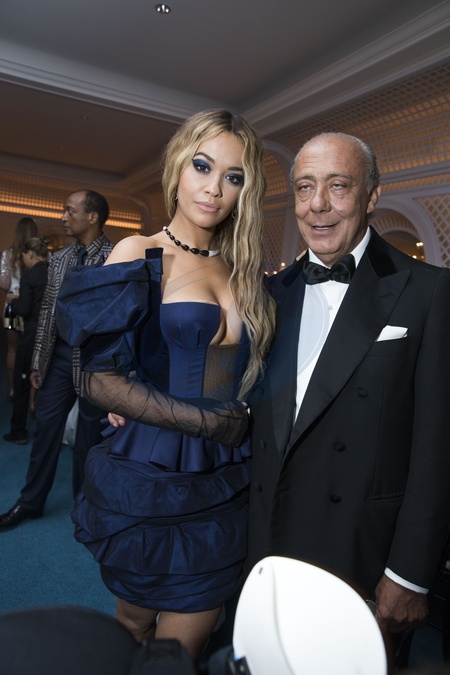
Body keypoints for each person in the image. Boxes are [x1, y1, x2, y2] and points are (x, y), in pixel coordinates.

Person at [54, 109, 275, 666]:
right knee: (134, 623)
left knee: (185, 644)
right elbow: (96, 379)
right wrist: (207, 422)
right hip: (150, 473)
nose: (214, 187)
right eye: (202, 166)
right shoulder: (139, 251)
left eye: (233, 176)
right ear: (178, 166)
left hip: (224, 478)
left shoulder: (246, 270)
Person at [247, 133, 450, 659]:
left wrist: (409, 573)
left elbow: (438, 448)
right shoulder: (272, 293)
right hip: (266, 544)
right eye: (304, 187)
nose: (317, 204)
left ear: (371, 195)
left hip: (361, 551)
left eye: (338, 186)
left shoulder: (429, 291)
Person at [0, 190, 114, 528]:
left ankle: (85, 507)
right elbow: (47, 314)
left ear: (92, 216)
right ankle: (30, 502)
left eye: (69, 211)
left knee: (89, 441)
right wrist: (39, 362)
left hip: (96, 362)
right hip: (60, 358)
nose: (63, 217)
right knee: (45, 432)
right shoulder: (60, 258)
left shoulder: (116, 256)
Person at [3, 236, 50, 445]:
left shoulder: (29, 276)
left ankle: (18, 432)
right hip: (51, 334)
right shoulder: (54, 273)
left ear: (30, 254)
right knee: (46, 383)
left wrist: (12, 300)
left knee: (21, 384)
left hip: (32, 334)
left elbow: (24, 309)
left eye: (23, 257)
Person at [0, 217, 38, 400]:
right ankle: (31, 397)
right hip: (33, 307)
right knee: (33, 352)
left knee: (12, 350)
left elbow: (4, 284)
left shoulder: (8, 254)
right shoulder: (42, 255)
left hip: (12, 307)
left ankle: (12, 389)